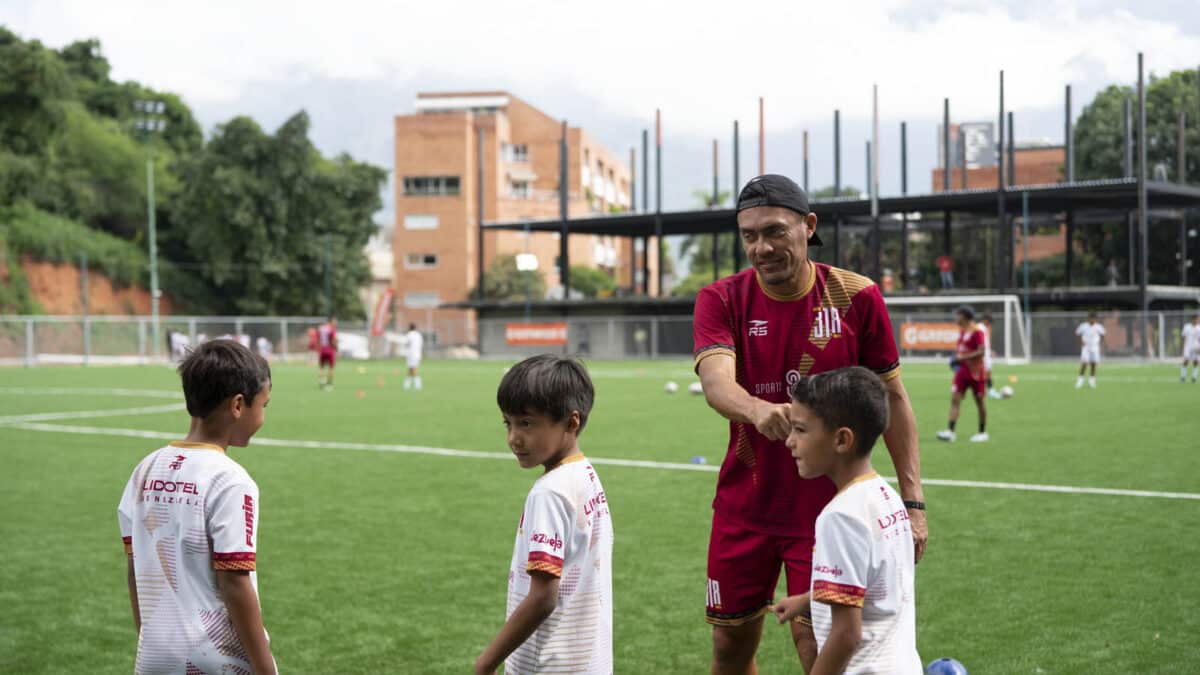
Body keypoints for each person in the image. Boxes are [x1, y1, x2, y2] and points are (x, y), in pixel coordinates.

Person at [693, 174, 926, 674]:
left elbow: (894, 398)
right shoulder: (721, 299)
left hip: (826, 515)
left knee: (817, 649)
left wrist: (914, 502)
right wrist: (757, 409)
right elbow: (715, 383)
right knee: (729, 649)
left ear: (809, 226)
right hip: (744, 505)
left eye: (775, 231)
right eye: (749, 235)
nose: (762, 247)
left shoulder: (855, 297)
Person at [117, 340, 276, 675]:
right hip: (215, 660)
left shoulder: (145, 469)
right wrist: (266, 669)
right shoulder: (231, 481)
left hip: (155, 654)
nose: (263, 417)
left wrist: (150, 638)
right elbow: (234, 582)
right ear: (238, 405)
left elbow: (134, 570)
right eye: (263, 405)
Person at [773, 367, 922, 674]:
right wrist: (806, 600)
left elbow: (846, 634)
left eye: (800, 430)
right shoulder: (886, 495)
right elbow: (876, 584)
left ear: (841, 440)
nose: (789, 441)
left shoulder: (839, 517)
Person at [475, 355, 613, 675]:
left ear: (571, 422)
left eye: (526, 423)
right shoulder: (586, 474)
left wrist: (486, 662)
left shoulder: (550, 492)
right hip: (588, 661)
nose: (514, 438)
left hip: (548, 664)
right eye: (508, 423)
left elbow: (543, 598)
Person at [936, 306, 988, 443]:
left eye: (958, 315)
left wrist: (962, 358)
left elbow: (981, 351)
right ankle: (950, 431)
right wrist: (956, 360)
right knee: (955, 399)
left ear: (965, 316)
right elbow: (961, 350)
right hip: (962, 371)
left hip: (976, 372)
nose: (956, 318)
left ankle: (982, 432)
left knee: (979, 401)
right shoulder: (962, 331)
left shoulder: (977, 331)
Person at [1075, 312, 1105, 389]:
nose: (1093, 320)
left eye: (1094, 318)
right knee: (1084, 364)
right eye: (1091, 318)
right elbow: (1077, 333)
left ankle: (1092, 381)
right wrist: (1081, 342)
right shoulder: (1083, 326)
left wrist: (1100, 344)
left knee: (1093, 364)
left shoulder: (1098, 327)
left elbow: (1102, 335)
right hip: (1086, 347)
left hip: (1095, 347)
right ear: (1089, 318)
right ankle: (1080, 380)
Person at [980, 313, 1002, 399]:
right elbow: (979, 342)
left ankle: (990, 391)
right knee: (983, 373)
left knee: (988, 373)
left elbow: (985, 342)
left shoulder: (985, 328)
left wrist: (990, 351)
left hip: (986, 355)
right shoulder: (980, 328)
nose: (989, 324)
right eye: (989, 322)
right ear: (985, 320)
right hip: (982, 355)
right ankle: (988, 391)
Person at [317, 317, 338, 390]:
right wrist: (336, 348)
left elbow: (318, 339)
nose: (336, 323)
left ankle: (322, 382)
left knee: (321, 367)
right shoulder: (332, 329)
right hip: (330, 350)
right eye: (335, 321)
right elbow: (333, 340)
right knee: (331, 368)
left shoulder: (321, 328)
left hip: (322, 349)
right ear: (331, 321)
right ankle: (329, 384)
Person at [403, 323, 424, 391]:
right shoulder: (418, 335)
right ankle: (406, 385)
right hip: (418, 354)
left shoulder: (409, 335)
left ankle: (418, 385)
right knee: (410, 369)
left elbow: (406, 343)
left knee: (413, 369)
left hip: (412, 355)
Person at [1181, 315, 1200, 383]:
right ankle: (1183, 377)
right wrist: (1183, 347)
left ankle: (1194, 377)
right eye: (1196, 319)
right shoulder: (1187, 327)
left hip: (1196, 347)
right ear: (1192, 319)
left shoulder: (1199, 328)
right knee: (1185, 361)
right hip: (1188, 347)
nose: (1197, 321)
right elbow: (1183, 337)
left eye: (1198, 319)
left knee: (1196, 362)